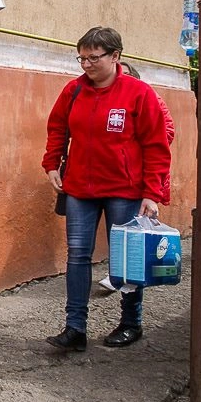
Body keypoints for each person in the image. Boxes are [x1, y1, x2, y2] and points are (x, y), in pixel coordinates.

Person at [42, 27, 171, 350]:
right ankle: (75, 328)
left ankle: (131, 322)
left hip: (124, 190)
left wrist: (152, 194)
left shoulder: (139, 93)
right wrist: (51, 163)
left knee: (126, 260)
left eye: (94, 58)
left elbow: (157, 145)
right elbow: (57, 127)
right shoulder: (73, 91)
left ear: (116, 56)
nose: (86, 64)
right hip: (79, 190)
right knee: (77, 256)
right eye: (82, 58)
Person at [99, 61, 176, 292]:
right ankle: (119, 274)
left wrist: (129, 145)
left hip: (141, 176)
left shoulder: (149, 98)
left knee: (135, 230)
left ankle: (134, 280)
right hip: (114, 175)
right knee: (122, 231)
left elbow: (166, 134)